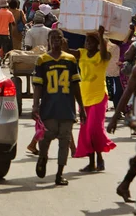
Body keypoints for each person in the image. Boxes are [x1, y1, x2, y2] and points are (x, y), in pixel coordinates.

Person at [32, 29, 86, 186]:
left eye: (59, 38)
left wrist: (81, 107)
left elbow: (76, 85)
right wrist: (35, 105)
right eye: (53, 38)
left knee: (65, 139)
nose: (56, 40)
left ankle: (59, 174)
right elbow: (38, 85)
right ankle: (43, 157)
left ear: (63, 40)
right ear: (48, 40)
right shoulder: (42, 60)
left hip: (67, 106)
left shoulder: (70, 59)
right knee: (46, 137)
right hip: (49, 106)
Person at [69, 26, 116, 172]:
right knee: (85, 131)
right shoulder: (81, 53)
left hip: (99, 95)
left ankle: (100, 159)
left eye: (91, 41)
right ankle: (92, 162)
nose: (87, 43)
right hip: (84, 97)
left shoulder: (103, 55)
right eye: (86, 41)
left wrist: (101, 36)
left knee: (94, 129)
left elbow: (104, 53)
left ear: (97, 43)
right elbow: (67, 52)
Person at [105, 40, 123, 111]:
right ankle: (117, 110)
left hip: (120, 73)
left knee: (118, 91)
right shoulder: (108, 45)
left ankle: (119, 110)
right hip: (111, 73)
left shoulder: (123, 45)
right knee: (115, 92)